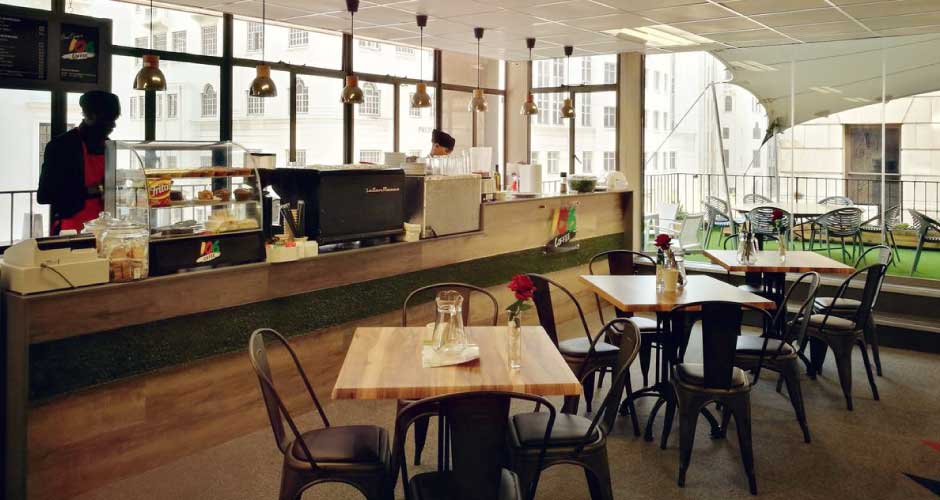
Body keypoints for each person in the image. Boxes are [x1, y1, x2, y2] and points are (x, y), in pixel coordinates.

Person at [38, 90, 121, 235]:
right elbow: (45, 195)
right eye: (108, 119)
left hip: (105, 228)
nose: (113, 125)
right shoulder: (61, 146)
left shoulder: (108, 146)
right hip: (71, 229)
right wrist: (95, 189)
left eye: (115, 119)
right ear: (90, 115)